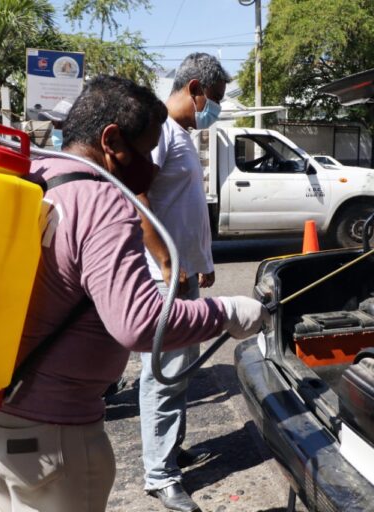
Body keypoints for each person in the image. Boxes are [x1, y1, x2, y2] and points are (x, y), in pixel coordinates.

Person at [0, 75, 269, 512]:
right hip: (50, 429)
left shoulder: (38, 177)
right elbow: (139, 325)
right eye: (146, 151)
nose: (152, 168)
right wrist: (229, 313)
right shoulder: (102, 201)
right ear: (111, 141)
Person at [135, 53, 230, 512]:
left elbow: (185, 206)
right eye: (215, 99)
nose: (216, 109)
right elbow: (138, 200)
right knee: (163, 375)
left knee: (180, 371)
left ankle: (170, 449)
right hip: (164, 280)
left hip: (183, 274)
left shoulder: (182, 134)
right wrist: (166, 264)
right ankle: (160, 475)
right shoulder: (159, 132)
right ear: (195, 89)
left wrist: (201, 260)